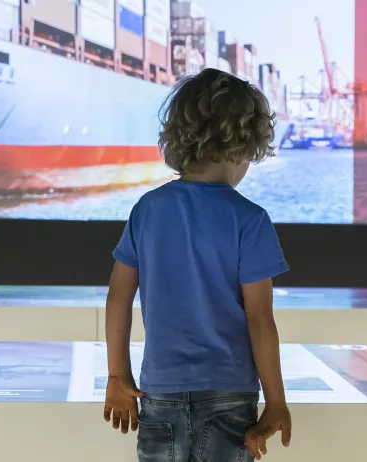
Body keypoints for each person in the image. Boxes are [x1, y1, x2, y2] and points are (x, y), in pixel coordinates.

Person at [102, 68, 291, 461]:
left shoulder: (147, 209)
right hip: (230, 394)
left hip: (160, 394)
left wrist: (118, 377)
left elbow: (118, 297)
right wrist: (276, 401)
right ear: (246, 146)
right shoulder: (250, 219)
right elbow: (260, 320)